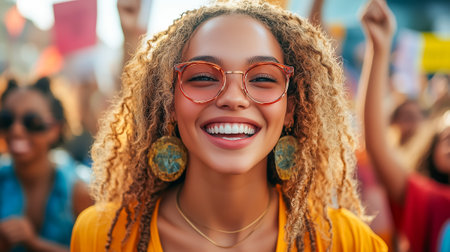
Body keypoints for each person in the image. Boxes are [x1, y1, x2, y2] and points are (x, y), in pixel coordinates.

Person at [71, 1, 387, 251]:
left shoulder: (347, 242)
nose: (233, 98)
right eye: (203, 77)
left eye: (263, 78)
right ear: (170, 104)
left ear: (290, 109)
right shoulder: (102, 237)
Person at [359, 0, 450, 251]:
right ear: (430, 149)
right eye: (447, 138)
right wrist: (380, 49)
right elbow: (377, 146)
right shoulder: (430, 201)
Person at [0, 77, 93, 251]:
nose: (16, 130)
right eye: (6, 120)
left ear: (55, 129)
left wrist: (34, 242)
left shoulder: (80, 190)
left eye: (32, 122)